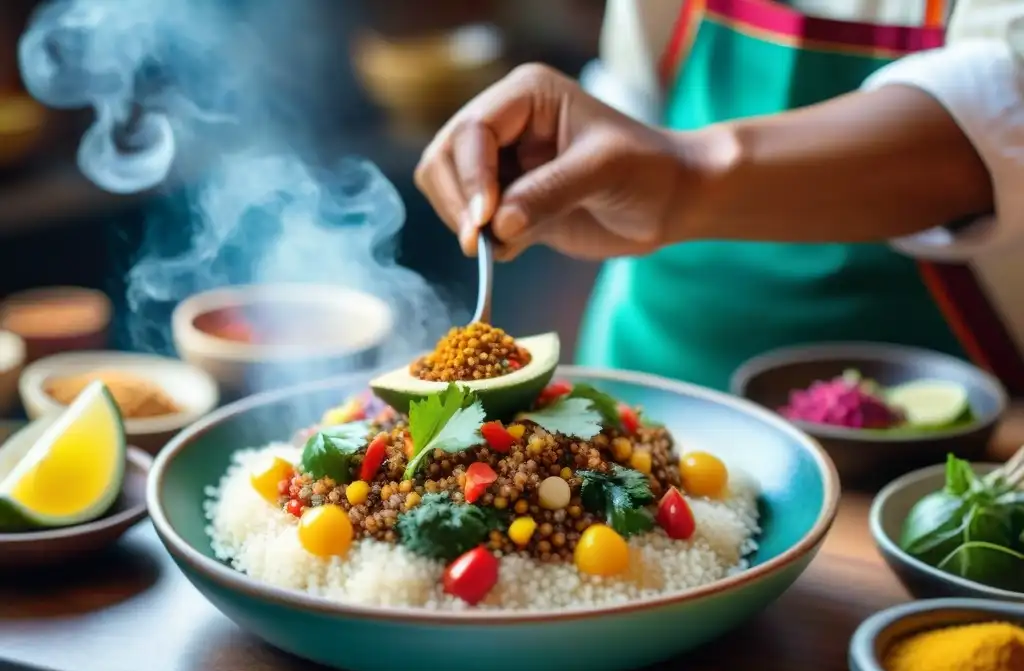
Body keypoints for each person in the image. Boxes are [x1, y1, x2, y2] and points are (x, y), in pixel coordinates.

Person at [414, 0, 1024, 393]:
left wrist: (685, 174)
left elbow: (993, 120)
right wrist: (576, 157)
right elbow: (636, 76)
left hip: (915, 431)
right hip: (641, 376)